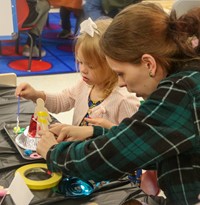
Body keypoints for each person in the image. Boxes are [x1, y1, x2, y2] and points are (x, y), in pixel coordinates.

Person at [36, 2, 200, 205]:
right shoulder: (189, 78)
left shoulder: (178, 93)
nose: (121, 83)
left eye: (121, 74)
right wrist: (95, 133)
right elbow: (147, 144)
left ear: (149, 63)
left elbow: (106, 160)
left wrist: (54, 152)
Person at [15, 18, 141, 129]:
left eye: (91, 66)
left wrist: (108, 128)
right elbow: (61, 101)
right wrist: (35, 94)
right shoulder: (85, 85)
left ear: (111, 64)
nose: (83, 70)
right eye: (80, 62)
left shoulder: (124, 100)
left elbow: (132, 140)